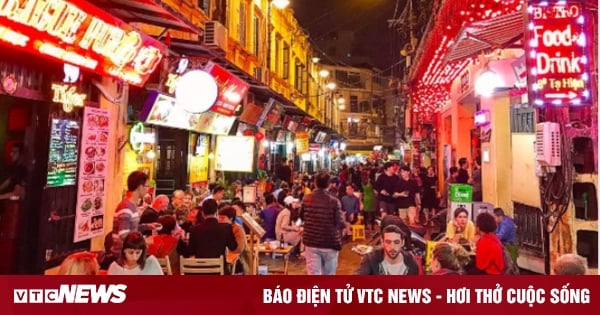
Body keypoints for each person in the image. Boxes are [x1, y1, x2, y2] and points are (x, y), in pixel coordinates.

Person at [300, 172, 346, 275]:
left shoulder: (306, 199)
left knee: (313, 274)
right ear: (328, 184)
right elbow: (340, 223)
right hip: (330, 242)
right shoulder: (334, 201)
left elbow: (301, 217)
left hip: (311, 242)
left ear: (315, 183)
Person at [107, 171, 159, 258]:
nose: (148, 189)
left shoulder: (132, 205)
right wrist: (145, 241)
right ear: (140, 187)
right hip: (123, 256)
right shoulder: (126, 207)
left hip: (130, 254)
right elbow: (124, 235)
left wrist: (147, 226)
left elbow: (131, 229)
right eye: (147, 186)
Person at [355, 225, 420, 275]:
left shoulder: (411, 264)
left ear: (402, 242)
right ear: (382, 242)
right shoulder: (371, 258)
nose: (392, 247)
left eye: (396, 242)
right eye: (388, 242)